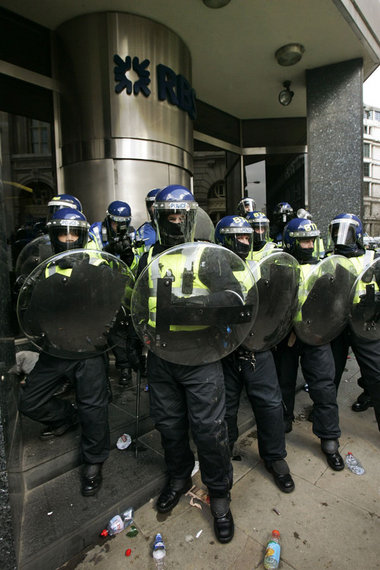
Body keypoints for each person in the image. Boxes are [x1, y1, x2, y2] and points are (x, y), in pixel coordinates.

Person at [131, 185, 240, 544]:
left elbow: (235, 297)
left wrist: (197, 308)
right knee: (168, 424)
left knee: (210, 430)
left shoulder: (206, 255)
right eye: (169, 215)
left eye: (181, 214)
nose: (176, 220)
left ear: (191, 217)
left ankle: (220, 495)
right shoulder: (147, 254)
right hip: (161, 356)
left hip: (199, 356)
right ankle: (178, 476)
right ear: (159, 218)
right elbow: (132, 297)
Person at [18, 208, 111, 496]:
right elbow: (32, 313)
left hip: (87, 348)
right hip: (56, 349)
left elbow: (110, 312)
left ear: (82, 236)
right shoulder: (43, 269)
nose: (69, 238)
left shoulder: (98, 268)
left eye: (74, 233)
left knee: (93, 409)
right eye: (63, 233)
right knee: (29, 401)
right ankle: (66, 416)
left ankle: (94, 462)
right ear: (54, 236)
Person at [215, 215, 295, 493]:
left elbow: (274, 306)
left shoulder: (259, 268)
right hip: (224, 352)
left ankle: (275, 457)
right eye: (239, 237)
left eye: (248, 237)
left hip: (257, 351)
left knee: (271, 405)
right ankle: (223, 456)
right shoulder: (210, 269)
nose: (245, 242)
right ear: (224, 239)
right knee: (224, 410)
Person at [275, 217, 344, 471]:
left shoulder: (326, 267)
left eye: (310, 240)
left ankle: (329, 440)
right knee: (283, 383)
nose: (308, 245)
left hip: (316, 336)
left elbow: (336, 302)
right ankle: (283, 421)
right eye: (303, 241)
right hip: (287, 337)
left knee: (324, 386)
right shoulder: (280, 266)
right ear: (292, 243)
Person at [328, 213, 380, 429]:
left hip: (366, 324)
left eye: (346, 234)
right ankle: (325, 413)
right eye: (337, 233)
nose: (341, 239)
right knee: (330, 373)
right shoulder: (330, 261)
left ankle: (370, 397)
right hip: (338, 326)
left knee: (376, 374)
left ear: (357, 234)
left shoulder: (373, 259)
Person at [89, 200, 138, 386]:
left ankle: (127, 365)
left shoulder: (132, 233)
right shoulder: (95, 232)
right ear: (109, 220)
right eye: (117, 223)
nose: (120, 227)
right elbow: (90, 258)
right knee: (104, 328)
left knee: (123, 328)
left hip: (123, 286)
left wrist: (129, 257)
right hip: (101, 286)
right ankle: (111, 369)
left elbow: (136, 266)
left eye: (124, 223)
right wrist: (108, 249)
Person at [135, 188, 160, 254]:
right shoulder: (142, 231)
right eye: (153, 205)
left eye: (157, 205)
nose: (155, 208)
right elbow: (137, 255)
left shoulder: (174, 226)